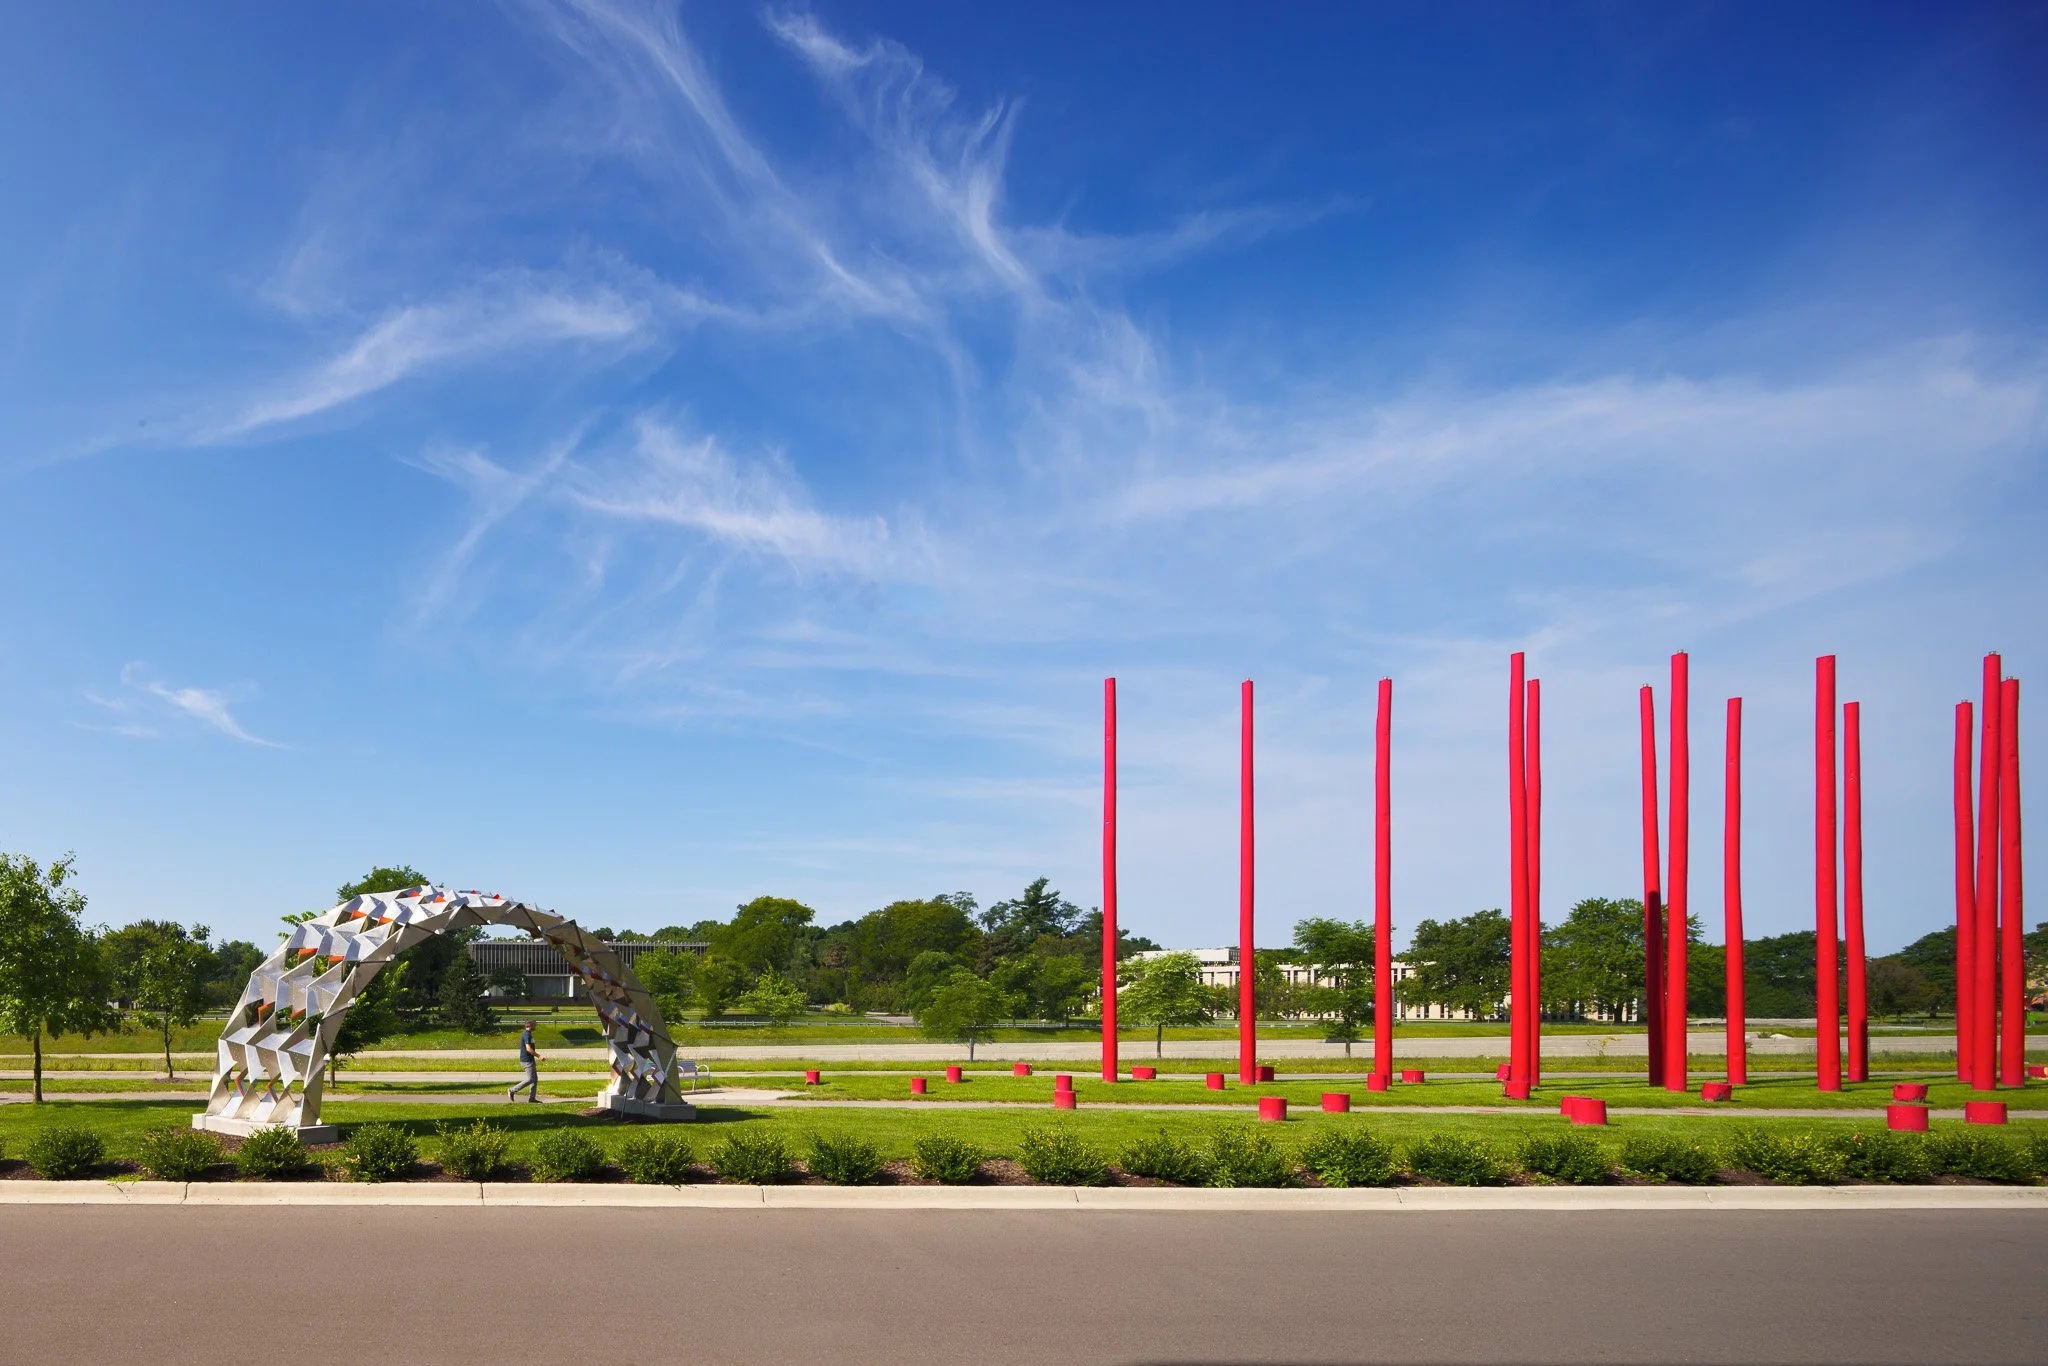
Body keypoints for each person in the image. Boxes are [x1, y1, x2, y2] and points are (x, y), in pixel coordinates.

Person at [508, 1020, 541, 1103]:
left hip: (529, 1060)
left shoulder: (528, 1034)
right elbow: (528, 1048)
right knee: (530, 1079)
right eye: (534, 1025)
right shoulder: (527, 1035)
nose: (535, 1026)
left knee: (534, 1079)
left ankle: (532, 1099)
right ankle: (512, 1090)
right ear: (530, 1025)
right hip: (527, 1061)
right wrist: (539, 1056)